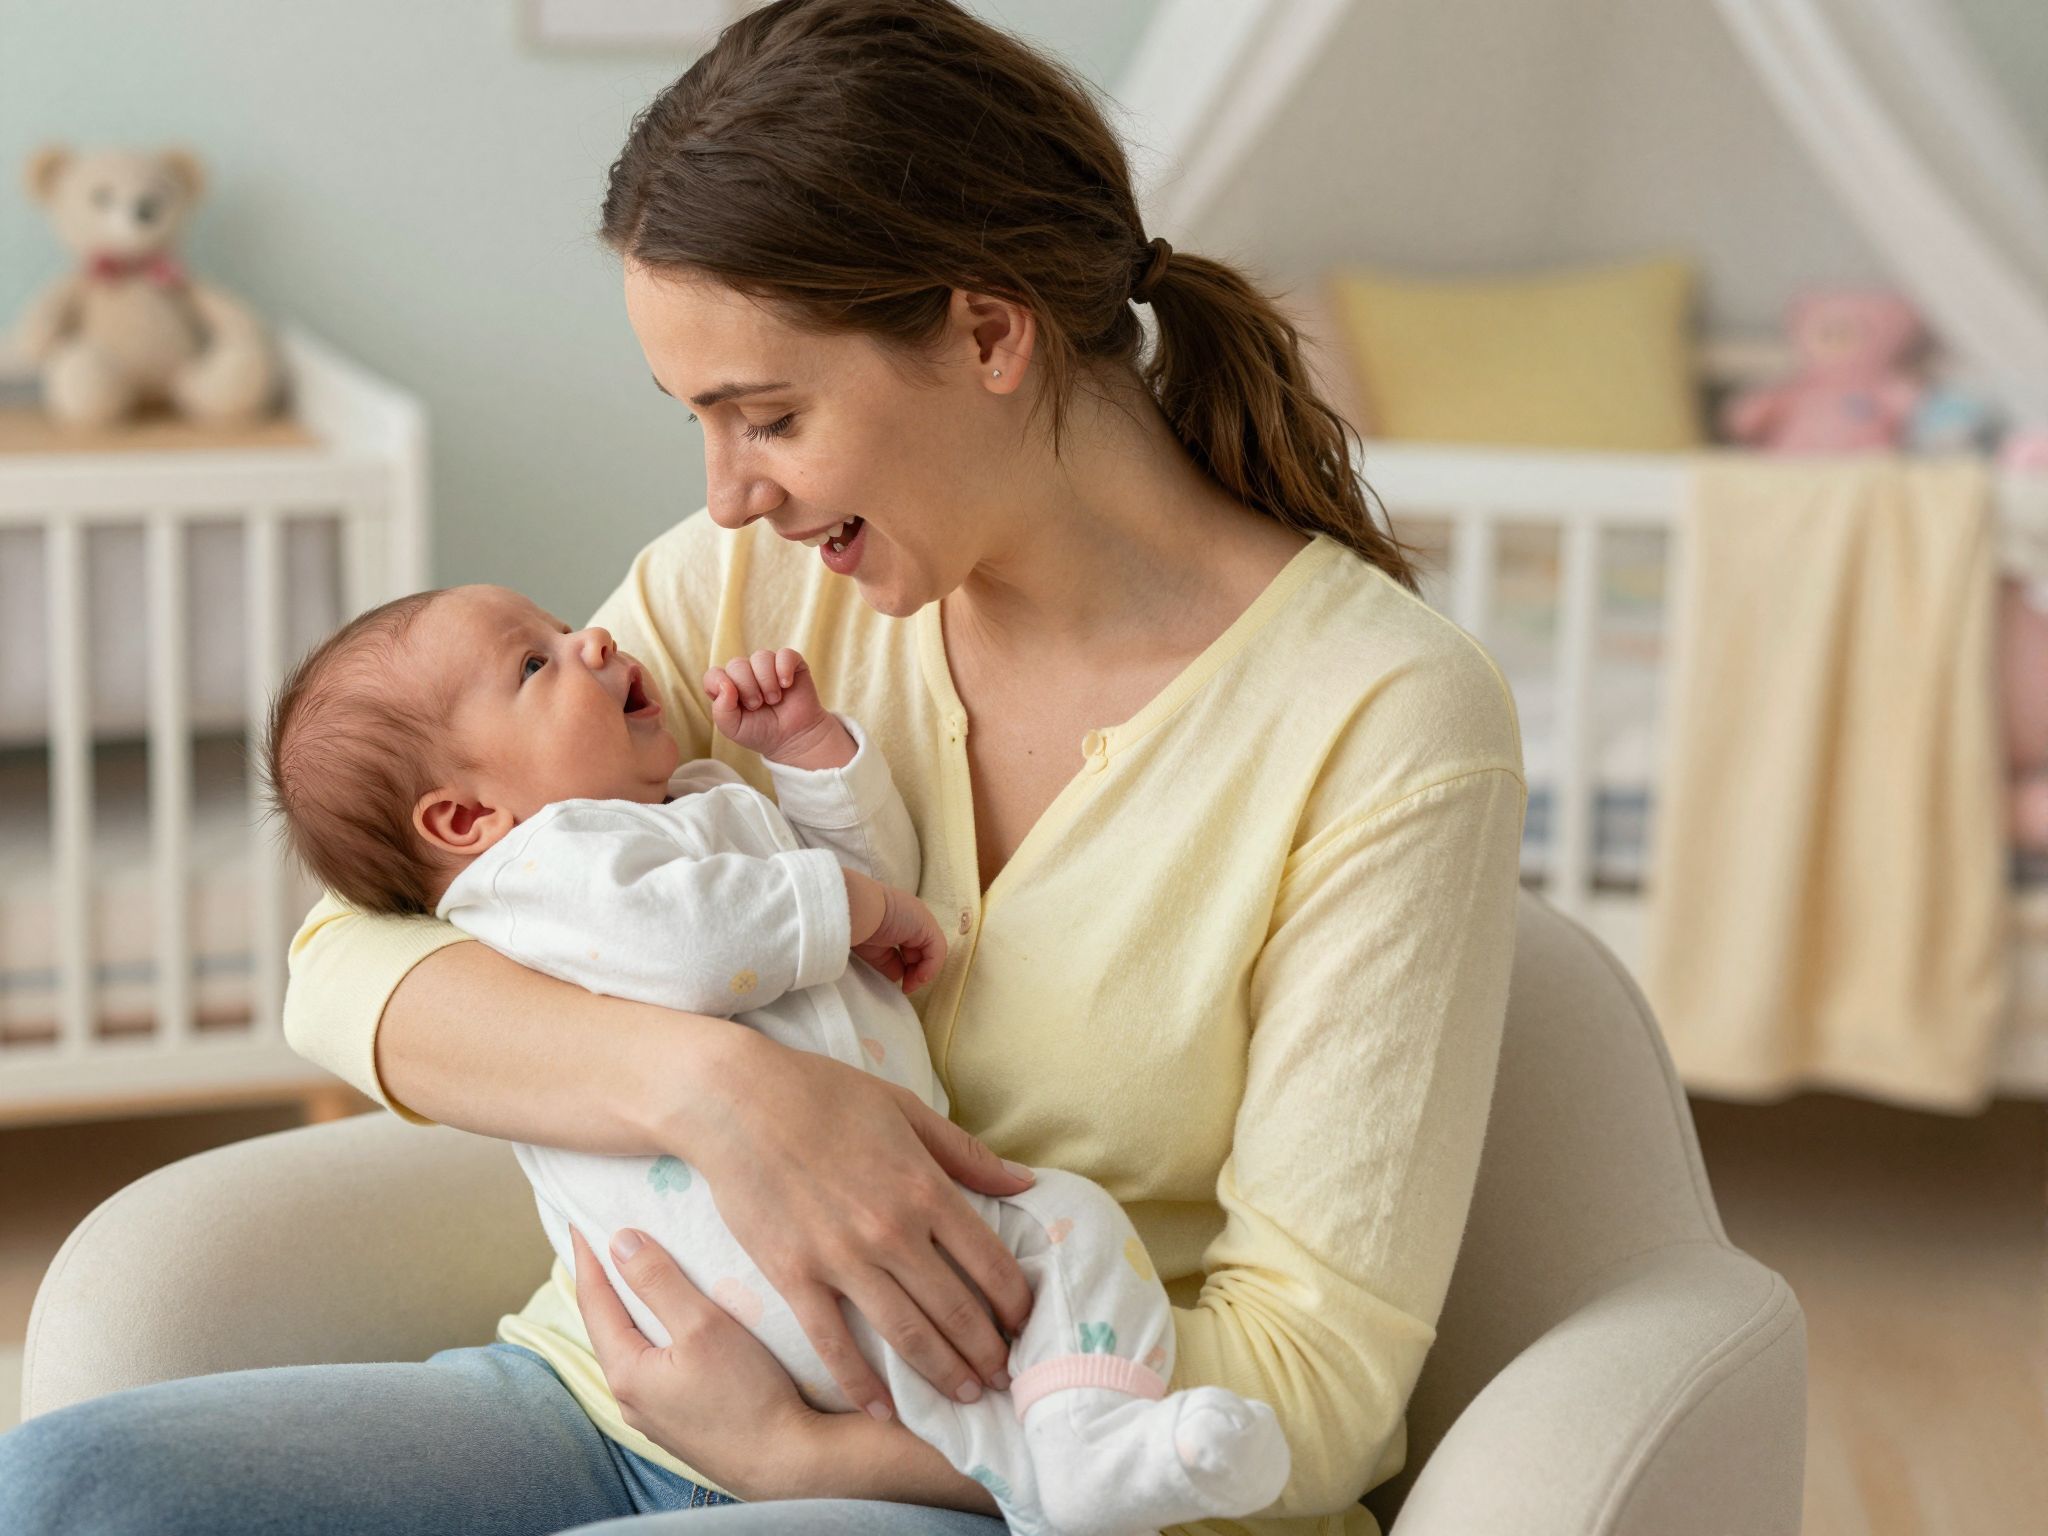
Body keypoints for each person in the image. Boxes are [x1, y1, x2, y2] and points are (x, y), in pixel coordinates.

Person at [0, 2, 1524, 1533]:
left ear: (988, 333)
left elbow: (1317, 1388)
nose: (727, 499)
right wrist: (715, 1089)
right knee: (66, 1487)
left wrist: (816, 1462)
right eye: (700, 425)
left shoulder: (1382, 718)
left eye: (769, 416)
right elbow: (350, 952)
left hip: (1024, 1477)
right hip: (615, 1404)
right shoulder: (748, 596)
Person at [259, 580, 1292, 1536]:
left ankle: (1069, 1452)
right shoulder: (537, 872)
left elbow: (853, 904)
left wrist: (809, 759)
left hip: (875, 1258)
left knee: (1067, 1221)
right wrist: (859, 906)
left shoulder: (692, 800)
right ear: (466, 819)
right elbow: (703, 946)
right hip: (739, 1286)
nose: (593, 638)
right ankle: (1053, 1462)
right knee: (1048, 1243)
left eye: (561, 626)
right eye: (533, 665)